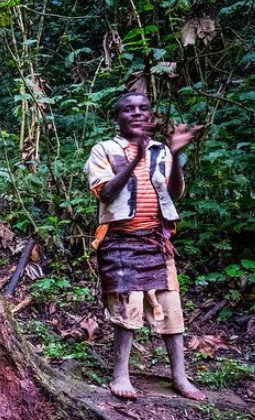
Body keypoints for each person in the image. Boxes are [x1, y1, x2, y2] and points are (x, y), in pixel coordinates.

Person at [85, 91, 206, 401]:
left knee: (171, 307)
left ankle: (179, 376)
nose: (137, 113)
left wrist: (176, 157)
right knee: (128, 307)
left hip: (156, 240)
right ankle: (120, 373)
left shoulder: (161, 152)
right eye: (129, 109)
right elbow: (106, 193)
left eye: (143, 108)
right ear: (118, 117)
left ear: (150, 115)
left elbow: (174, 193)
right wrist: (135, 158)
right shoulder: (104, 150)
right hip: (119, 242)